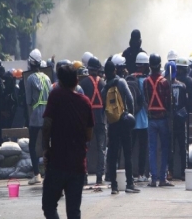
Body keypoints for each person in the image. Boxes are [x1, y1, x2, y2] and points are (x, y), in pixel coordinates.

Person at [41, 64, 94, 219]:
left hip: (57, 162)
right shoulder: (85, 102)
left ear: (60, 82)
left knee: (49, 205)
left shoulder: (56, 96)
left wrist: (45, 148)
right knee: (74, 211)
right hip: (78, 165)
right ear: (77, 80)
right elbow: (89, 134)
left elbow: (47, 124)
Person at [103, 60, 139, 194]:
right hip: (123, 122)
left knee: (113, 155)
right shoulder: (122, 82)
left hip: (112, 124)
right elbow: (130, 99)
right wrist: (130, 116)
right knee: (127, 153)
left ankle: (114, 186)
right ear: (115, 70)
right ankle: (129, 183)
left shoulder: (104, 87)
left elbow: (103, 107)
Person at [143, 53, 173, 187]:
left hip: (151, 120)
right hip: (162, 119)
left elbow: (145, 100)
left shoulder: (145, 82)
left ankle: (153, 179)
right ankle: (163, 178)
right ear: (160, 65)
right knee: (165, 148)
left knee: (152, 149)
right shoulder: (165, 82)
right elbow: (169, 102)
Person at [25, 48, 52, 185]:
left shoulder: (30, 79)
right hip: (48, 115)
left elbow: (29, 101)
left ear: (30, 63)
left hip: (36, 116)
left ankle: (36, 174)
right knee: (46, 145)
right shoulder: (47, 78)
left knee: (32, 145)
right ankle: (48, 173)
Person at [79, 56, 106, 185]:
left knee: (85, 148)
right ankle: (100, 177)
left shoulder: (83, 83)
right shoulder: (103, 83)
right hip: (101, 119)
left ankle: (84, 177)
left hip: (88, 120)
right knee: (101, 149)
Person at [128, 52, 150, 182]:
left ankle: (129, 174)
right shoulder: (145, 81)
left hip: (131, 119)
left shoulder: (130, 78)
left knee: (130, 149)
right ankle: (141, 174)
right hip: (143, 121)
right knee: (143, 149)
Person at [165, 61, 188, 181]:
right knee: (180, 147)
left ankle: (171, 171)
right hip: (178, 119)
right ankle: (182, 171)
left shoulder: (165, 85)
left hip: (171, 120)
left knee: (172, 147)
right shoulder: (182, 86)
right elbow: (186, 105)